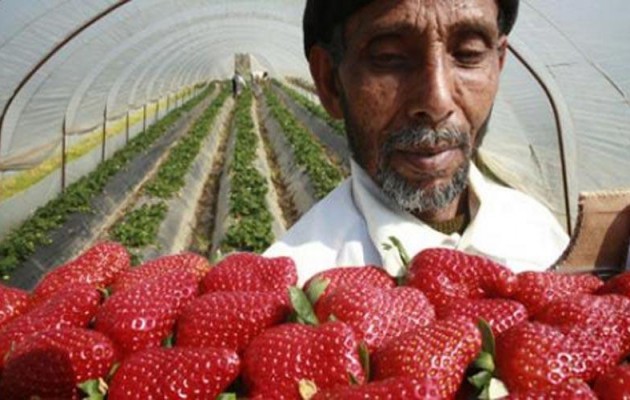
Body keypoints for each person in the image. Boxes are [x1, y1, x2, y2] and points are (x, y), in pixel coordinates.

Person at [264, 0, 569, 284]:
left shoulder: (543, 239)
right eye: (390, 57)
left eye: (469, 53)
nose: (436, 102)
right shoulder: (298, 287)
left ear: (498, 63)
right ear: (330, 81)